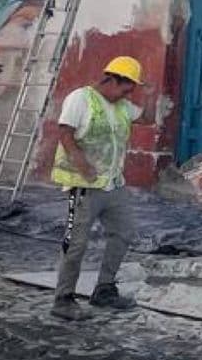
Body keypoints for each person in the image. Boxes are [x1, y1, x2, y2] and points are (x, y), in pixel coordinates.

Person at [50, 56, 143, 320]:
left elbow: (146, 115)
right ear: (112, 80)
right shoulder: (81, 99)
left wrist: (146, 94)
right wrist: (82, 165)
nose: (129, 92)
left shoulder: (123, 106)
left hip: (113, 184)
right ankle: (63, 299)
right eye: (127, 86)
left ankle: (104, 289)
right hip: (83, 186)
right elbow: (65, 133)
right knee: (76, 243)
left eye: (133, 88)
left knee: (124, 232)